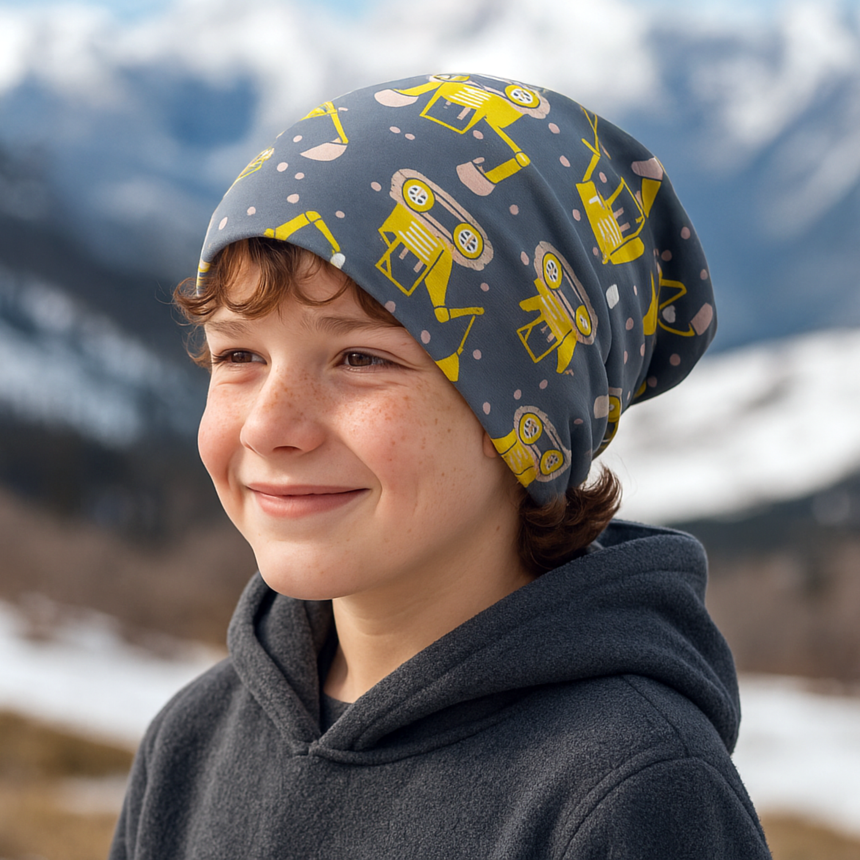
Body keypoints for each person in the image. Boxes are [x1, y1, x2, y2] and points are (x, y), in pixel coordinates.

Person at [110, 73, 771, 858]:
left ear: (525, 423)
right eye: (238, 355)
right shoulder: (193, 743)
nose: (270, 427)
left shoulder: (632, 791)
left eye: (359, 358)